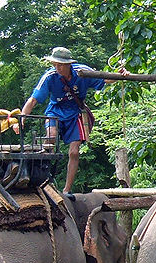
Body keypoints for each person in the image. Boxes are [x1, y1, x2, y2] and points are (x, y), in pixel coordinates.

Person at [20, 46, 113, 194]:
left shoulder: (82, 72)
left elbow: (104, 79)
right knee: (50, 137)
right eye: (55, 64)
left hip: (75, 112)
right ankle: (41, 178)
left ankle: (66, 190)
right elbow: (33, 100)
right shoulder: (49, 77)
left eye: (61, 64)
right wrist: (22, 118)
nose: (58, 68)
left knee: (74, 152)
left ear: (69, 64)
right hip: (55, 111)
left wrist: (120, 75)